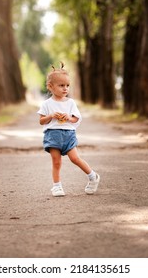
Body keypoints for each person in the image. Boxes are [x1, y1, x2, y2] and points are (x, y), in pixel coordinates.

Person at [37, 62, 100, 197]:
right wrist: (51, 116)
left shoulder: (70, 103)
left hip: (68, 134)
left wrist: (68, 118)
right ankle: (57, 186)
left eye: (67, 85)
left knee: (75, 158)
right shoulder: (46, 104)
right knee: (56, 161)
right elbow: (41, 121)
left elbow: (76, 119)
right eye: (61, 85)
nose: (65, 88)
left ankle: (93, 176)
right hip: (52, 135)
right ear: (50, 86)